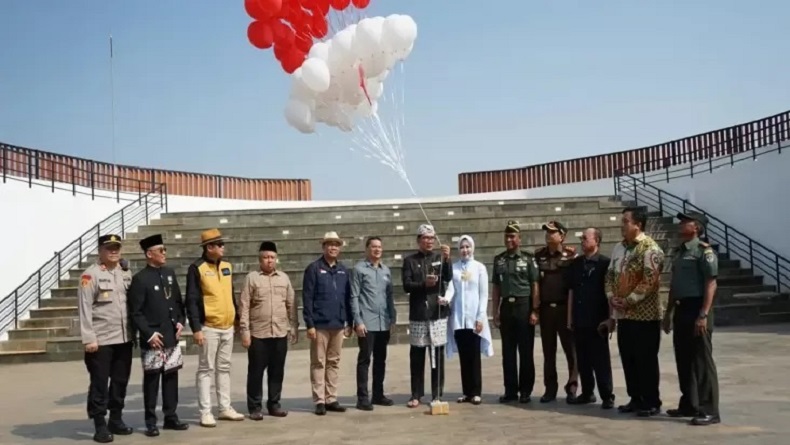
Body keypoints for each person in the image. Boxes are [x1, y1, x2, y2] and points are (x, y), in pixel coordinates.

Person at [604, 207, 665, 417]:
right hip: (624, 315)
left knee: (645, 360)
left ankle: (651, 401)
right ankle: (635, 398)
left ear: (638, 225)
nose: (622, 225)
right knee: (628, 358)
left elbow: (649, 281)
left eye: (626, 221)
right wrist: (611, 296)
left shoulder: (650, 248)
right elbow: (609, 275)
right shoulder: (619, 248)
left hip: (645, 316)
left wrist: (628, 300)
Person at [128, 234, 190, 437]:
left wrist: (180, 321)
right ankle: (150, 421)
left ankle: (171, 416)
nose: (164, 253)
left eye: (165, 249)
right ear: (149, 254)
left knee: (171, 377)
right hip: (153, 338)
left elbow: (178, 303)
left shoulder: (169, 273)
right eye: (160, 250)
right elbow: (136, 312)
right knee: (152, 380)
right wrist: (148, 334)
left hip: (171, 335)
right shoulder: (140, 279)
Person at [663, 212, 721, 426]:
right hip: (681, 308)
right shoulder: (680, 251)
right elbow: (674, 285)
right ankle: (689, 403)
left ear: (696, 227)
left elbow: (711, 283)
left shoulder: (704, 251)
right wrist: (668, 313)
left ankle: (710, 410)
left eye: (685, 221)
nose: (680, 224)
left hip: (697, 308)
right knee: (684, 359)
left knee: (702, 361)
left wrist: (703, 314)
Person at [77, 234, 134, 443]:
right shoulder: (90, 275)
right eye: (109, 248)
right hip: (100, 340)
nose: (114, 251)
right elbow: (84, 308)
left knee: (120, 382)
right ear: (100, 251)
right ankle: (99, 424)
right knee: (100, 383)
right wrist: (89, 338)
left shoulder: (125, 272)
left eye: (117, 247)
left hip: (124, 337)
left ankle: (116, 420)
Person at [185, 228, 245, 427]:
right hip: (208, 326)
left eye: (222, 244)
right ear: (209, 247)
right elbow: (192, 299)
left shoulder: (227, 266)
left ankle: (225, 407)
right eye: (219, 245)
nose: (223, 247)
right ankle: (205, 411)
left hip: (227, 325)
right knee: (205, 369)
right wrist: (196, 328)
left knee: (224, 368)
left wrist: (237, 319)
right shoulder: (197, 268)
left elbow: (231, 294)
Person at [239, 241, 298, 420]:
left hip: (279, 332)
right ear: (260, 259)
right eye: (265, 257)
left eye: (272, 257)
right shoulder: (252, 278)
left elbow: (291, 304)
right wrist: (245, 330)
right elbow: (244, 305)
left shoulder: (284, 278)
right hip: (258, 334)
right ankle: (255, 407)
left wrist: (294, 326)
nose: (269, 260)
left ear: (276, 259)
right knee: (256, 372)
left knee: (277, 371)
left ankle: (274, 404)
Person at [401, 224, 453, 409]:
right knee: (417, 355)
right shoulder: (410, 261)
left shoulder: (439, 258)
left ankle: (437, 393)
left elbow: (448, 277)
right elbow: (406, 285)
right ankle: (416, 394)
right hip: (418, 313)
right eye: (425, 238)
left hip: (437, 313)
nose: (429, 241)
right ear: (419, 240)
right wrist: (424, 284)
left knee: (437, 356)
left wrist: (447, 259)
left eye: (432, 238)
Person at [302, 231, 353, 415]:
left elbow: (347, 297)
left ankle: (331, 398)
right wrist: (309, 324)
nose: (333, 247)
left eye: (336, 244)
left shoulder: (343, 270)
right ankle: (319, 400)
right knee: (318, 362)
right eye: (329, 244)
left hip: (338, 324)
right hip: (320, 324)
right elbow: (307, 297)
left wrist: (349, 321)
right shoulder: (314, 269)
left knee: (333, 362)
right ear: (323, 247)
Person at [492, 220, 540, 404]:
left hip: (523, 306)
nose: (509, 240)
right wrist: (495, 311)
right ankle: (510, 390)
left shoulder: (528, 258)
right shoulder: (499, 259)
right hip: (507, 307)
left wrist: (535, 310)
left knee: (526, 351)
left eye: (512, 236)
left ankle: (525, 390)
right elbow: (496, 287)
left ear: (519, 238)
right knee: (508, 352)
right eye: (506, 236)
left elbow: (535, 285)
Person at [567, 228, 615, 409]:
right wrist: (569, 317)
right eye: (582, 238)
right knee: (583, 359)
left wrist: (611, 319)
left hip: (598, 321)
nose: (582, 241)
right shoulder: (577, 263)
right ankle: (587, 392)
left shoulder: (605, 264)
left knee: (601, 360)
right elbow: (572, 291)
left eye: (586, 238)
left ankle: (607, 395)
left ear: (597, 241)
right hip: (580, 318)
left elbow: (610, 294)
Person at [445, 235, 494, 405]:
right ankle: (466, 392)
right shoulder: (454, 268)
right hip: (459, 319)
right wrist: (445, 299)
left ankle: (476, 391)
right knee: (464, 356)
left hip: (474, 318)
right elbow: (451, 289)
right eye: (462, 247)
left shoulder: (479, 268)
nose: (465, 250)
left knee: (474, 356)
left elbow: (484, 294)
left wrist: (481, 317)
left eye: (467, 247)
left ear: (472, 248)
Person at [350, 236, 397, 411]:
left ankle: (378, 394)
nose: (377, 250)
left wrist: (392, 318)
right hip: (366, 323)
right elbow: (354, 296)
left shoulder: (386, 271)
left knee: (380, 360)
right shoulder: (359, 269)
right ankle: (362, 398)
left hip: (383, 322)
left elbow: (389, 296)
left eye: (379, 247)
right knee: (364, 359)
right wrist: (358, 321)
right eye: (373, 247)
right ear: (367, 249)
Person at [534, 220, 579, 403]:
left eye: (552, 232)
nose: (548, 235)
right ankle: (550, 388)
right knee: (548, 352)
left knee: (571, 350)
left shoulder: (570, 256)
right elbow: (536, 282)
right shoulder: (539, 255)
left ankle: (572, 387)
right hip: (546, 309)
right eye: (547, 232)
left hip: (564, 309)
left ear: (562, 236)